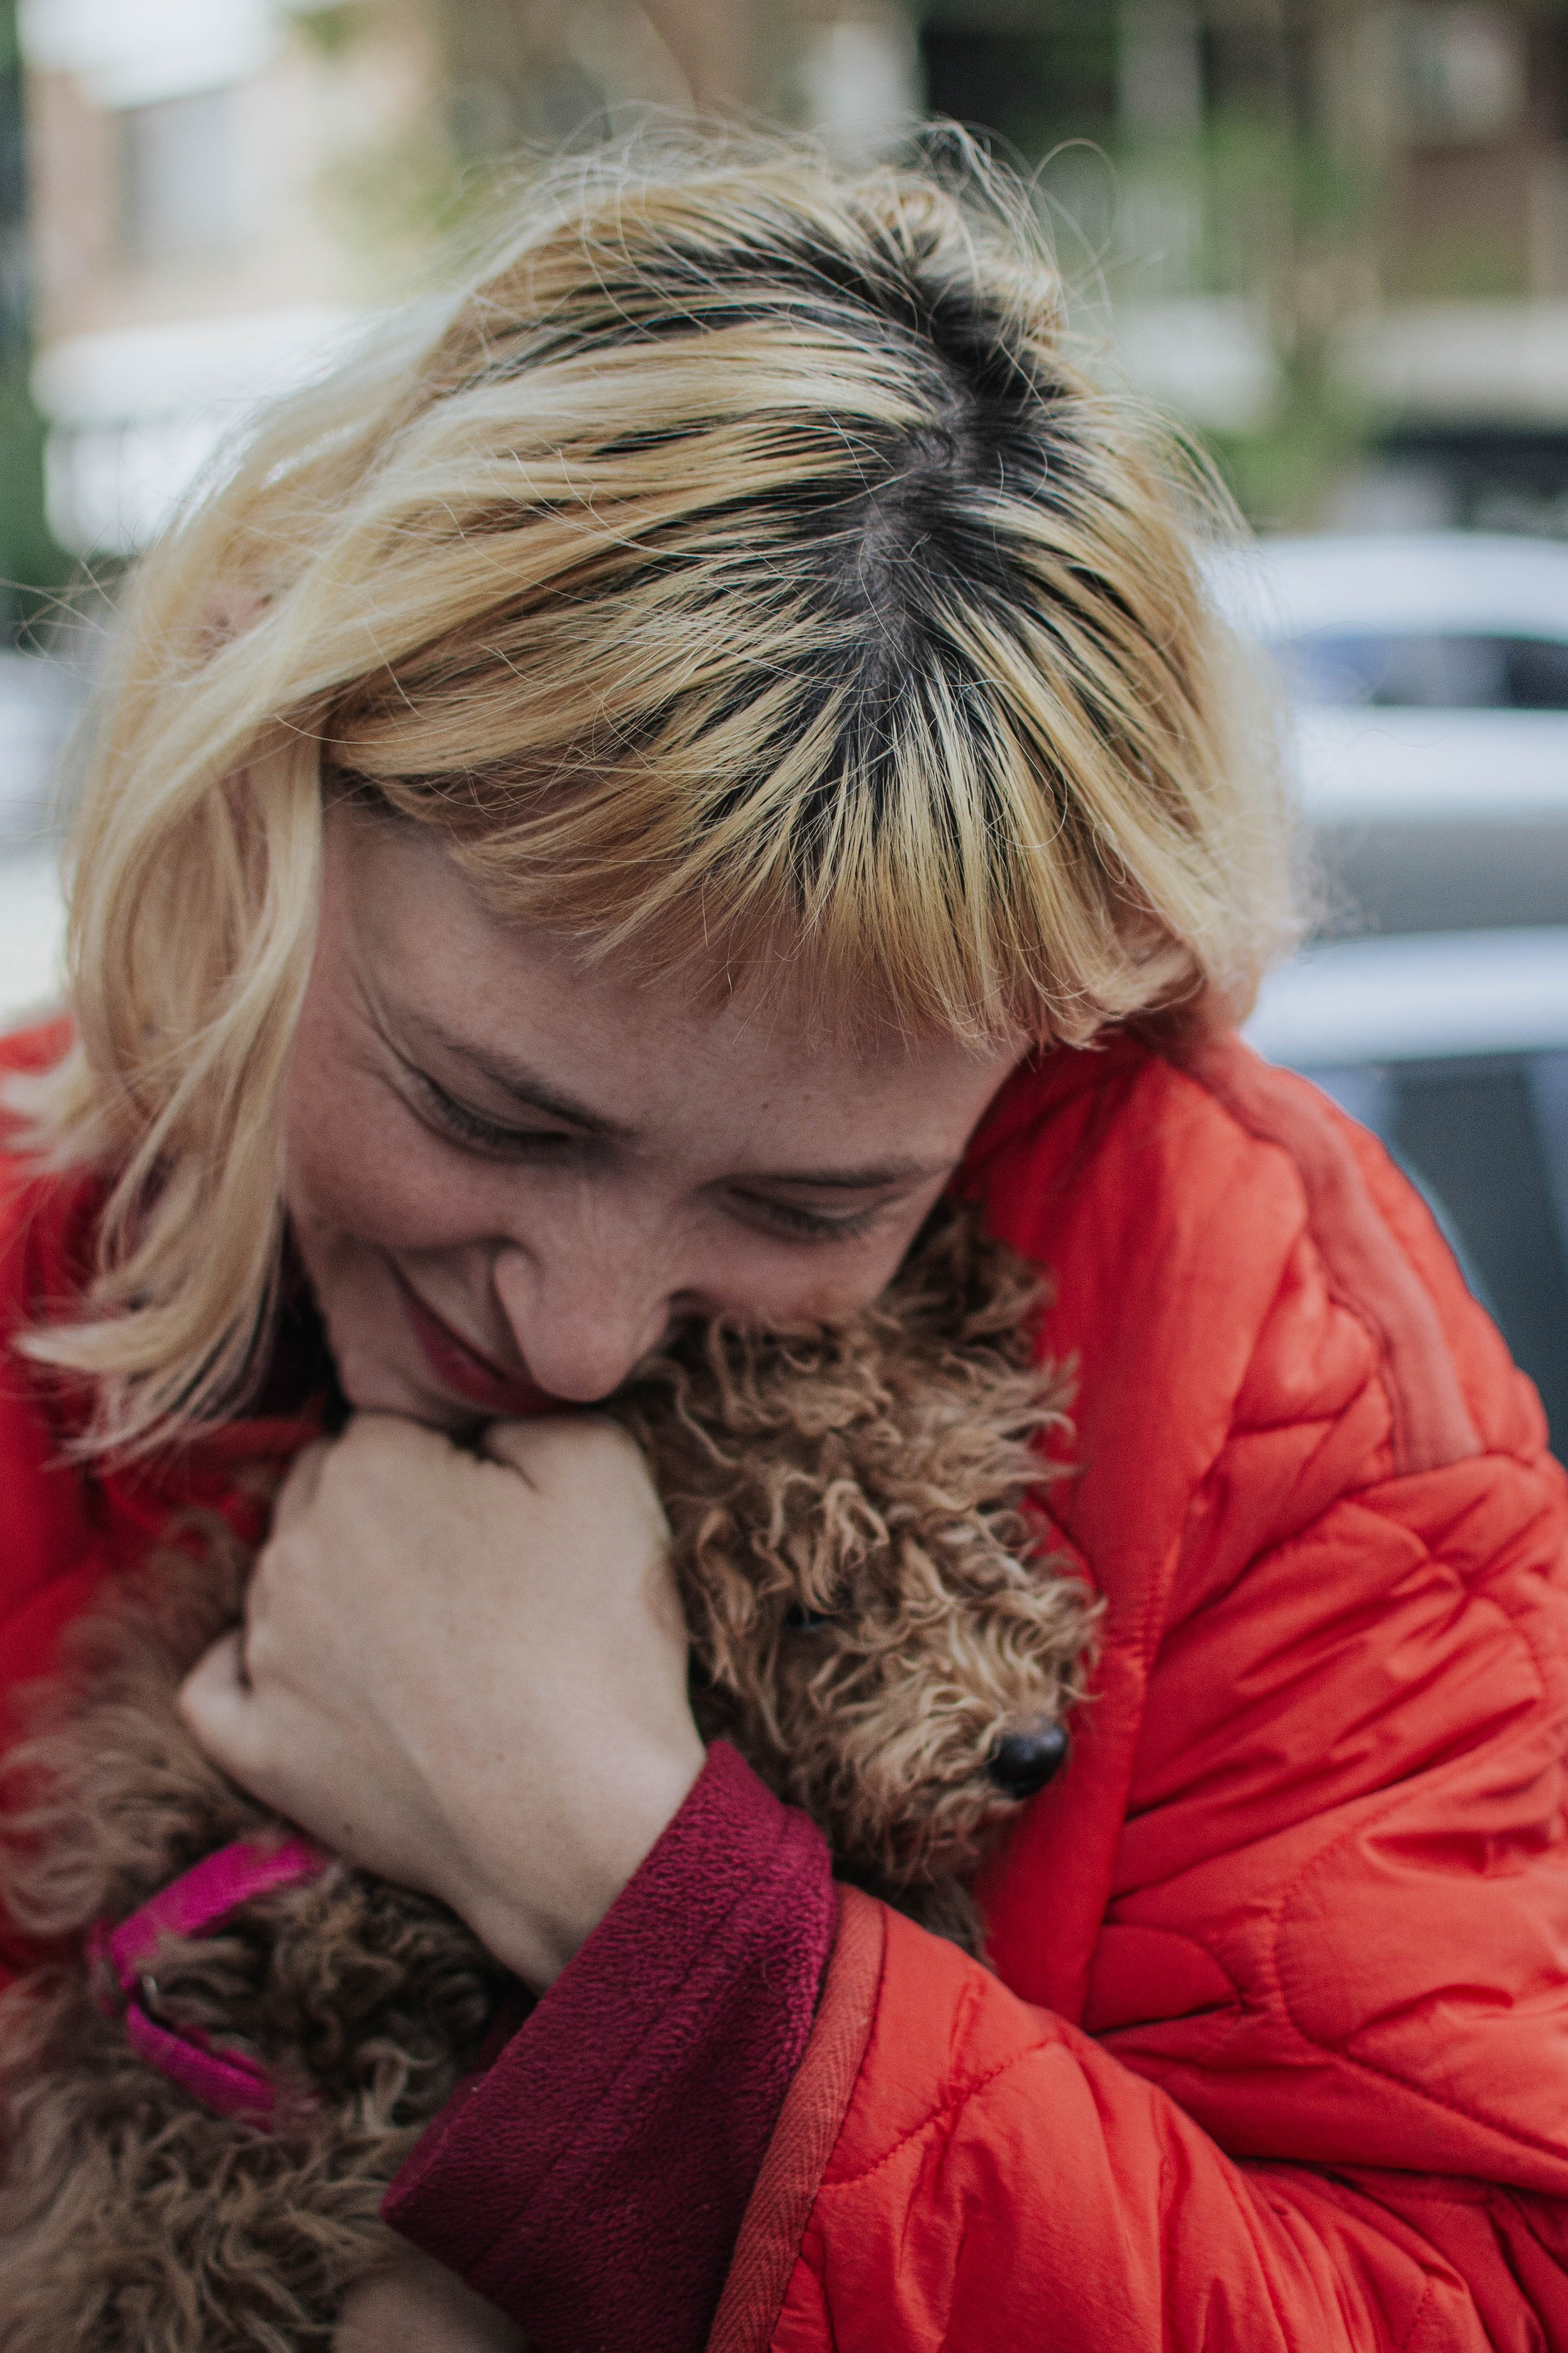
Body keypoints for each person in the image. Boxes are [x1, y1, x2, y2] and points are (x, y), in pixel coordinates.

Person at [2, 138, 1566, 2353]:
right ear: (255, 771)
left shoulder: (1255, 1349)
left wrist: (645, 1919)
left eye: (810, 1201)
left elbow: (1468, 2297)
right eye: (487, 1110)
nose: (575, 1332)